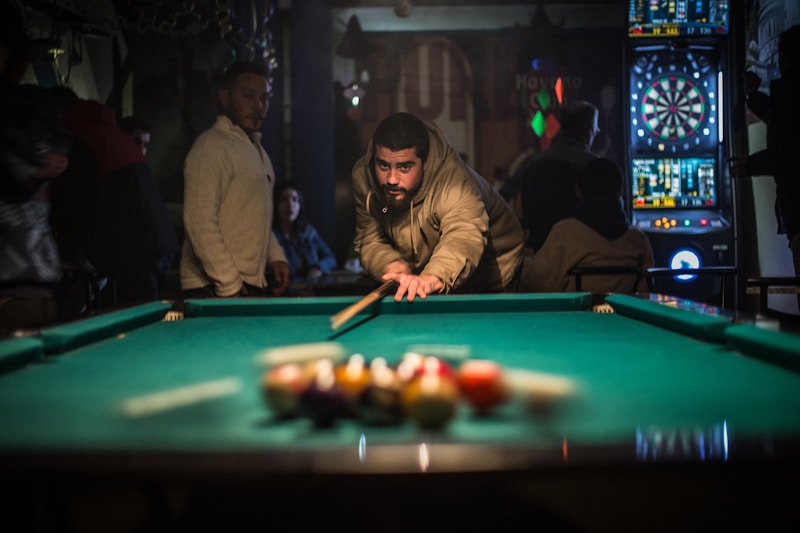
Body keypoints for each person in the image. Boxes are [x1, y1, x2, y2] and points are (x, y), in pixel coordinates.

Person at [351, 112, 524, 302]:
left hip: (491, 267)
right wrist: (391, 264)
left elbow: (463, 235)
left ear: (425, 163)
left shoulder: (455, 183)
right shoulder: (363, 177)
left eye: (405, 167)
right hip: (426, 267)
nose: (392, 179)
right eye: (383, 166)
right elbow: (370, 238)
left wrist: (432, 277)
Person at [181, 61, 289, 298]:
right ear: (224, 96)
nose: (258, 106)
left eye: (264, 98)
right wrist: (229, 282)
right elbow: (199, 222)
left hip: (241, 284)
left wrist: (276, 257)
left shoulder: (257, 151)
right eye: (248, 96)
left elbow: (256, 219)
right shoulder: (211, 146)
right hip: (213, 286)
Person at [521, 158, 654, 294]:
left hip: (577, 313)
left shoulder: (565, 232)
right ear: (619, 193)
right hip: (624, 312)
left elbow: (538, 284)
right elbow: (646, 288)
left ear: (578, 191)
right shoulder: (638, 239)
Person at [731, 25, 800, 282]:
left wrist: (749, 165)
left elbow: (786, 152)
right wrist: (753, 95)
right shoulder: (789, 94)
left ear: (785, 57)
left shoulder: (788, 92)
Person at [506, 101, 600, 253]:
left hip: (541, 254)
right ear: (588, 130)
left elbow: (524, 211)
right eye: (595, 130)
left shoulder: (533, 164)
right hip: (580, 255)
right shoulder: (593, 166)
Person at [272, 181, 337, 282]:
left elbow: (330, 258)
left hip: (314, 292)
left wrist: (318, 268)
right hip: (287, 294)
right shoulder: (272, 237)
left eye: (295, 200)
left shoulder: (309, 232)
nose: (290, 204)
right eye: (284, 200)